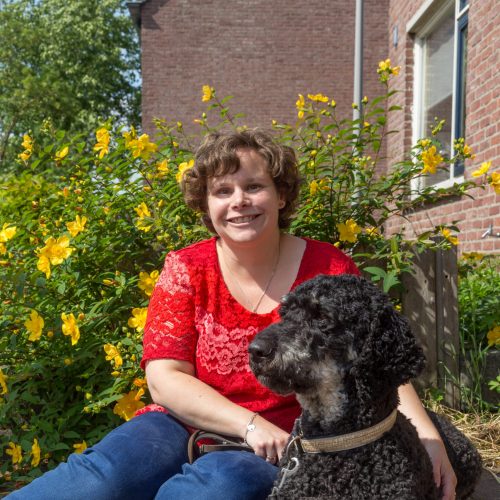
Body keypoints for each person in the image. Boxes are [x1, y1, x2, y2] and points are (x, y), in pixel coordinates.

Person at [7, 129, 457, 500]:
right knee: (98, 480)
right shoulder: (186, 268)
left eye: (254, 186)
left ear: (281, 196)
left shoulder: (330, 267)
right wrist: (247, 423)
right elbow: (165, 377)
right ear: (206, 205)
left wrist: (428, 439)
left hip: (283, 440)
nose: (238, 200)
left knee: (212, 492)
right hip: (180, 422)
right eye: (223, 191)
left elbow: (378, 355)